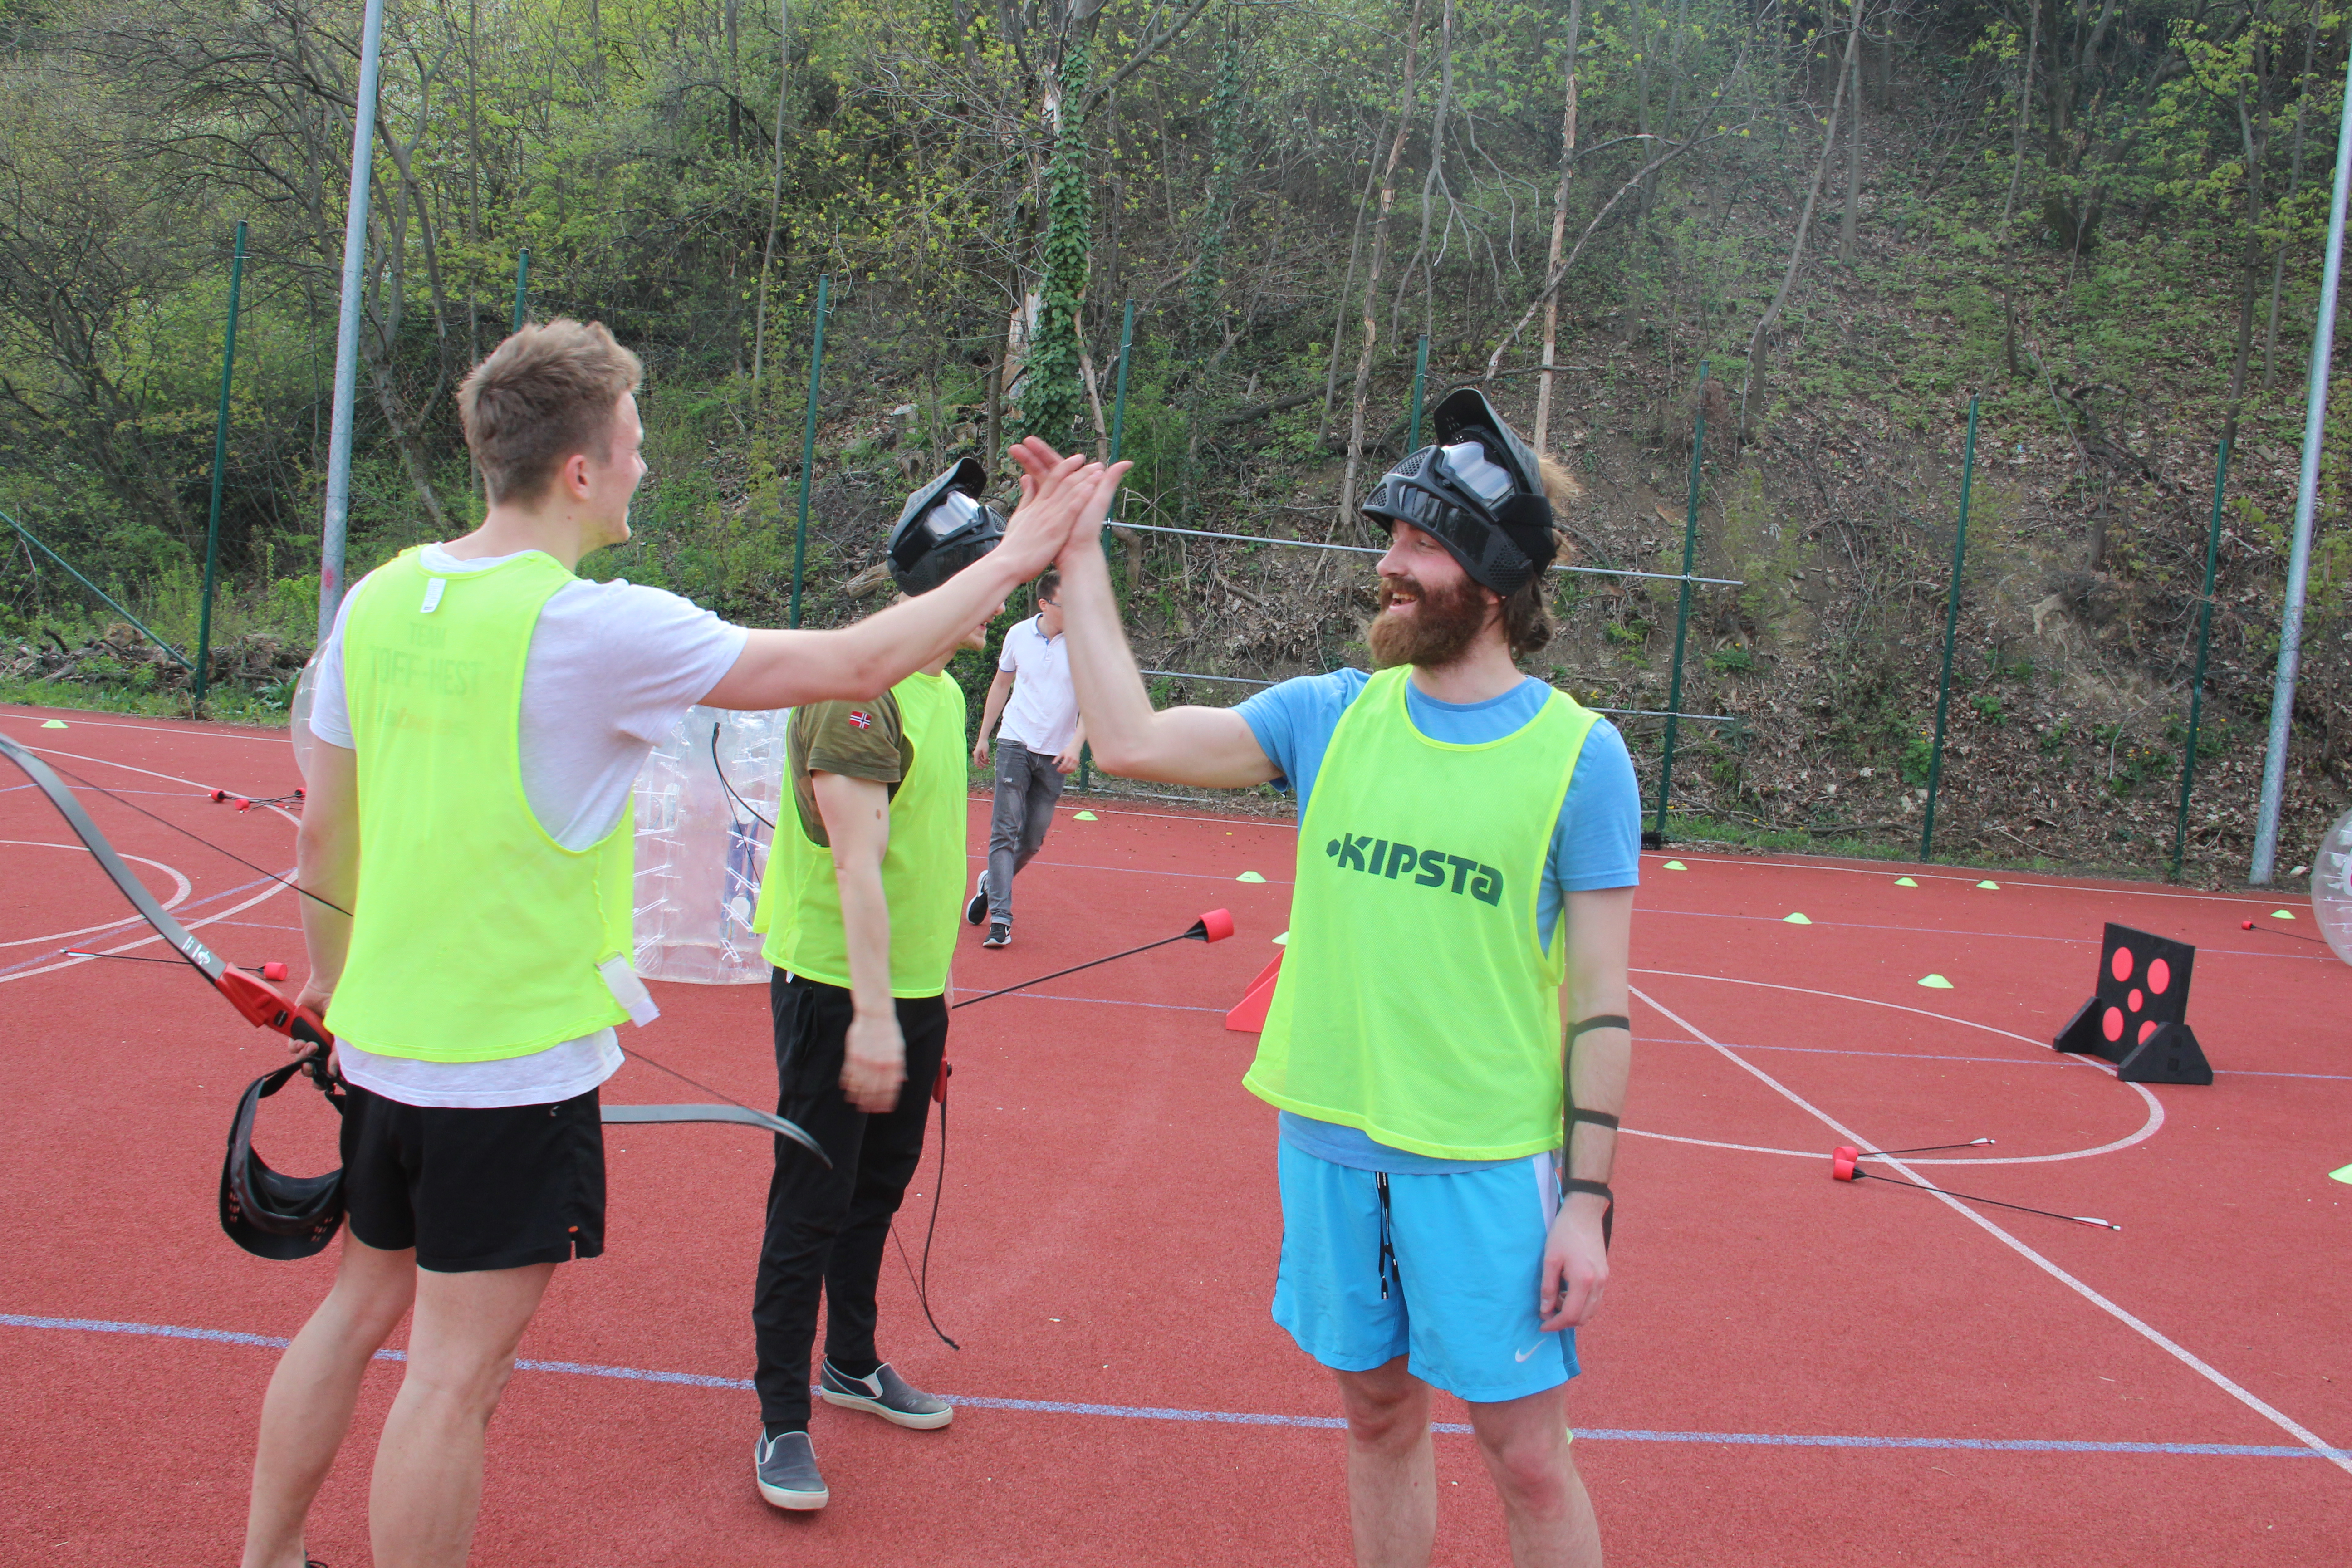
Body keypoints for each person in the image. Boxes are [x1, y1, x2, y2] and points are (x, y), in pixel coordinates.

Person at [241, 321, 1093, 1568]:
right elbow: (858, 658)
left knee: (356, 1310)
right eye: (633, 444)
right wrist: (1018, 553)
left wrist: (327, 988)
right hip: (502, 1067)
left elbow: (325, 839)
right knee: (453, 1381)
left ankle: (265, 1557)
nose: (645, 467)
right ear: (580, 469)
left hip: (384, 1049)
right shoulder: (591, 628)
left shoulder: (383, 598)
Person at [1051, 389, 1637, 1568]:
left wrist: (1585, 1200)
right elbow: (1132, 744)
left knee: (1526, 1456)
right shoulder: (1332, 715)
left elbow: (1602, 1007)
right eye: (1394, 541)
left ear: (1491, 574)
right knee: (1376, 1421)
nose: (1388, 567)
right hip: (1330, 1143)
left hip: (1484, 1162)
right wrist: (1078, 561)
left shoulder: (1581, 756)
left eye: (1419, 545)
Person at [743, 456, 1109, 1511]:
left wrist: (917, 1006)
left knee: (878, 1184)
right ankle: (779, 1419)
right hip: (832, 989)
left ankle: (849, 1359)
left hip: (907, 990)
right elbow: (856, 865)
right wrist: (868, 1017)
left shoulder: (943, 687)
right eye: (991, 581)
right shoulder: (852, 692)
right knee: (808, 1201)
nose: (1000, 606)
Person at [967, 567, 1084, 946]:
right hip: (1015, 743)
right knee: (1004, 831)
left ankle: (991, 882)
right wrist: (984, 736)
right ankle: (1001, 919)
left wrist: (1076, 745)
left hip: (1055, 754)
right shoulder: (1018, 634)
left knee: (1032, 840)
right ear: (1045, 604)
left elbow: (1093, 703)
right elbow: (1002, 683)